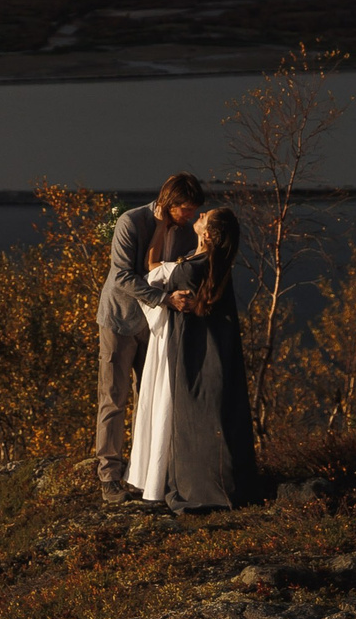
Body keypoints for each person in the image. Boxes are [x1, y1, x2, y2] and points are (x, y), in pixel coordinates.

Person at [126, 205, 262, 511]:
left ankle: (195, 486)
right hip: (211, 349)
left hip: (190, 350)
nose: (198, 216)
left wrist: (161, 227)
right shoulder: (210, 263)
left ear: (209, 234)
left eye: (204, 218)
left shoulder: (193, 268)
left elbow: (150, 275)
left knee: (190, 413)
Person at [93, 173, 205, 502]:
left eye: (194, 210)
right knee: (114, 399)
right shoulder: (131, 222)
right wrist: (164, 299)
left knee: (152, 397)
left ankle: (146, 473)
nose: (190, 215)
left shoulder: (185, 232)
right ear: (170, 203)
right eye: (186, 208)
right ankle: (109, 476)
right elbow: (123, 274)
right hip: (120, 320)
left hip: (157, 327)